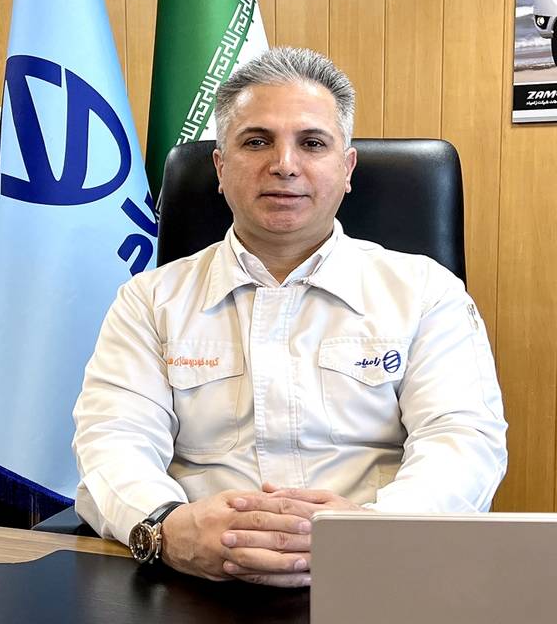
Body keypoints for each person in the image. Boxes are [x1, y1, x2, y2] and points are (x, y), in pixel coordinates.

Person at [72, 47, 507, 587]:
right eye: (256, 141)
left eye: (312, 143)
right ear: (220, 167)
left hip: (377, 577)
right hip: (194, 579)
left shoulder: (425, 292)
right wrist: (167, 526)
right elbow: (112, 438)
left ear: (346, 169)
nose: (284, 164)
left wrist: (376, 532)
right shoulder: (149, 300)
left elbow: (463, 439)